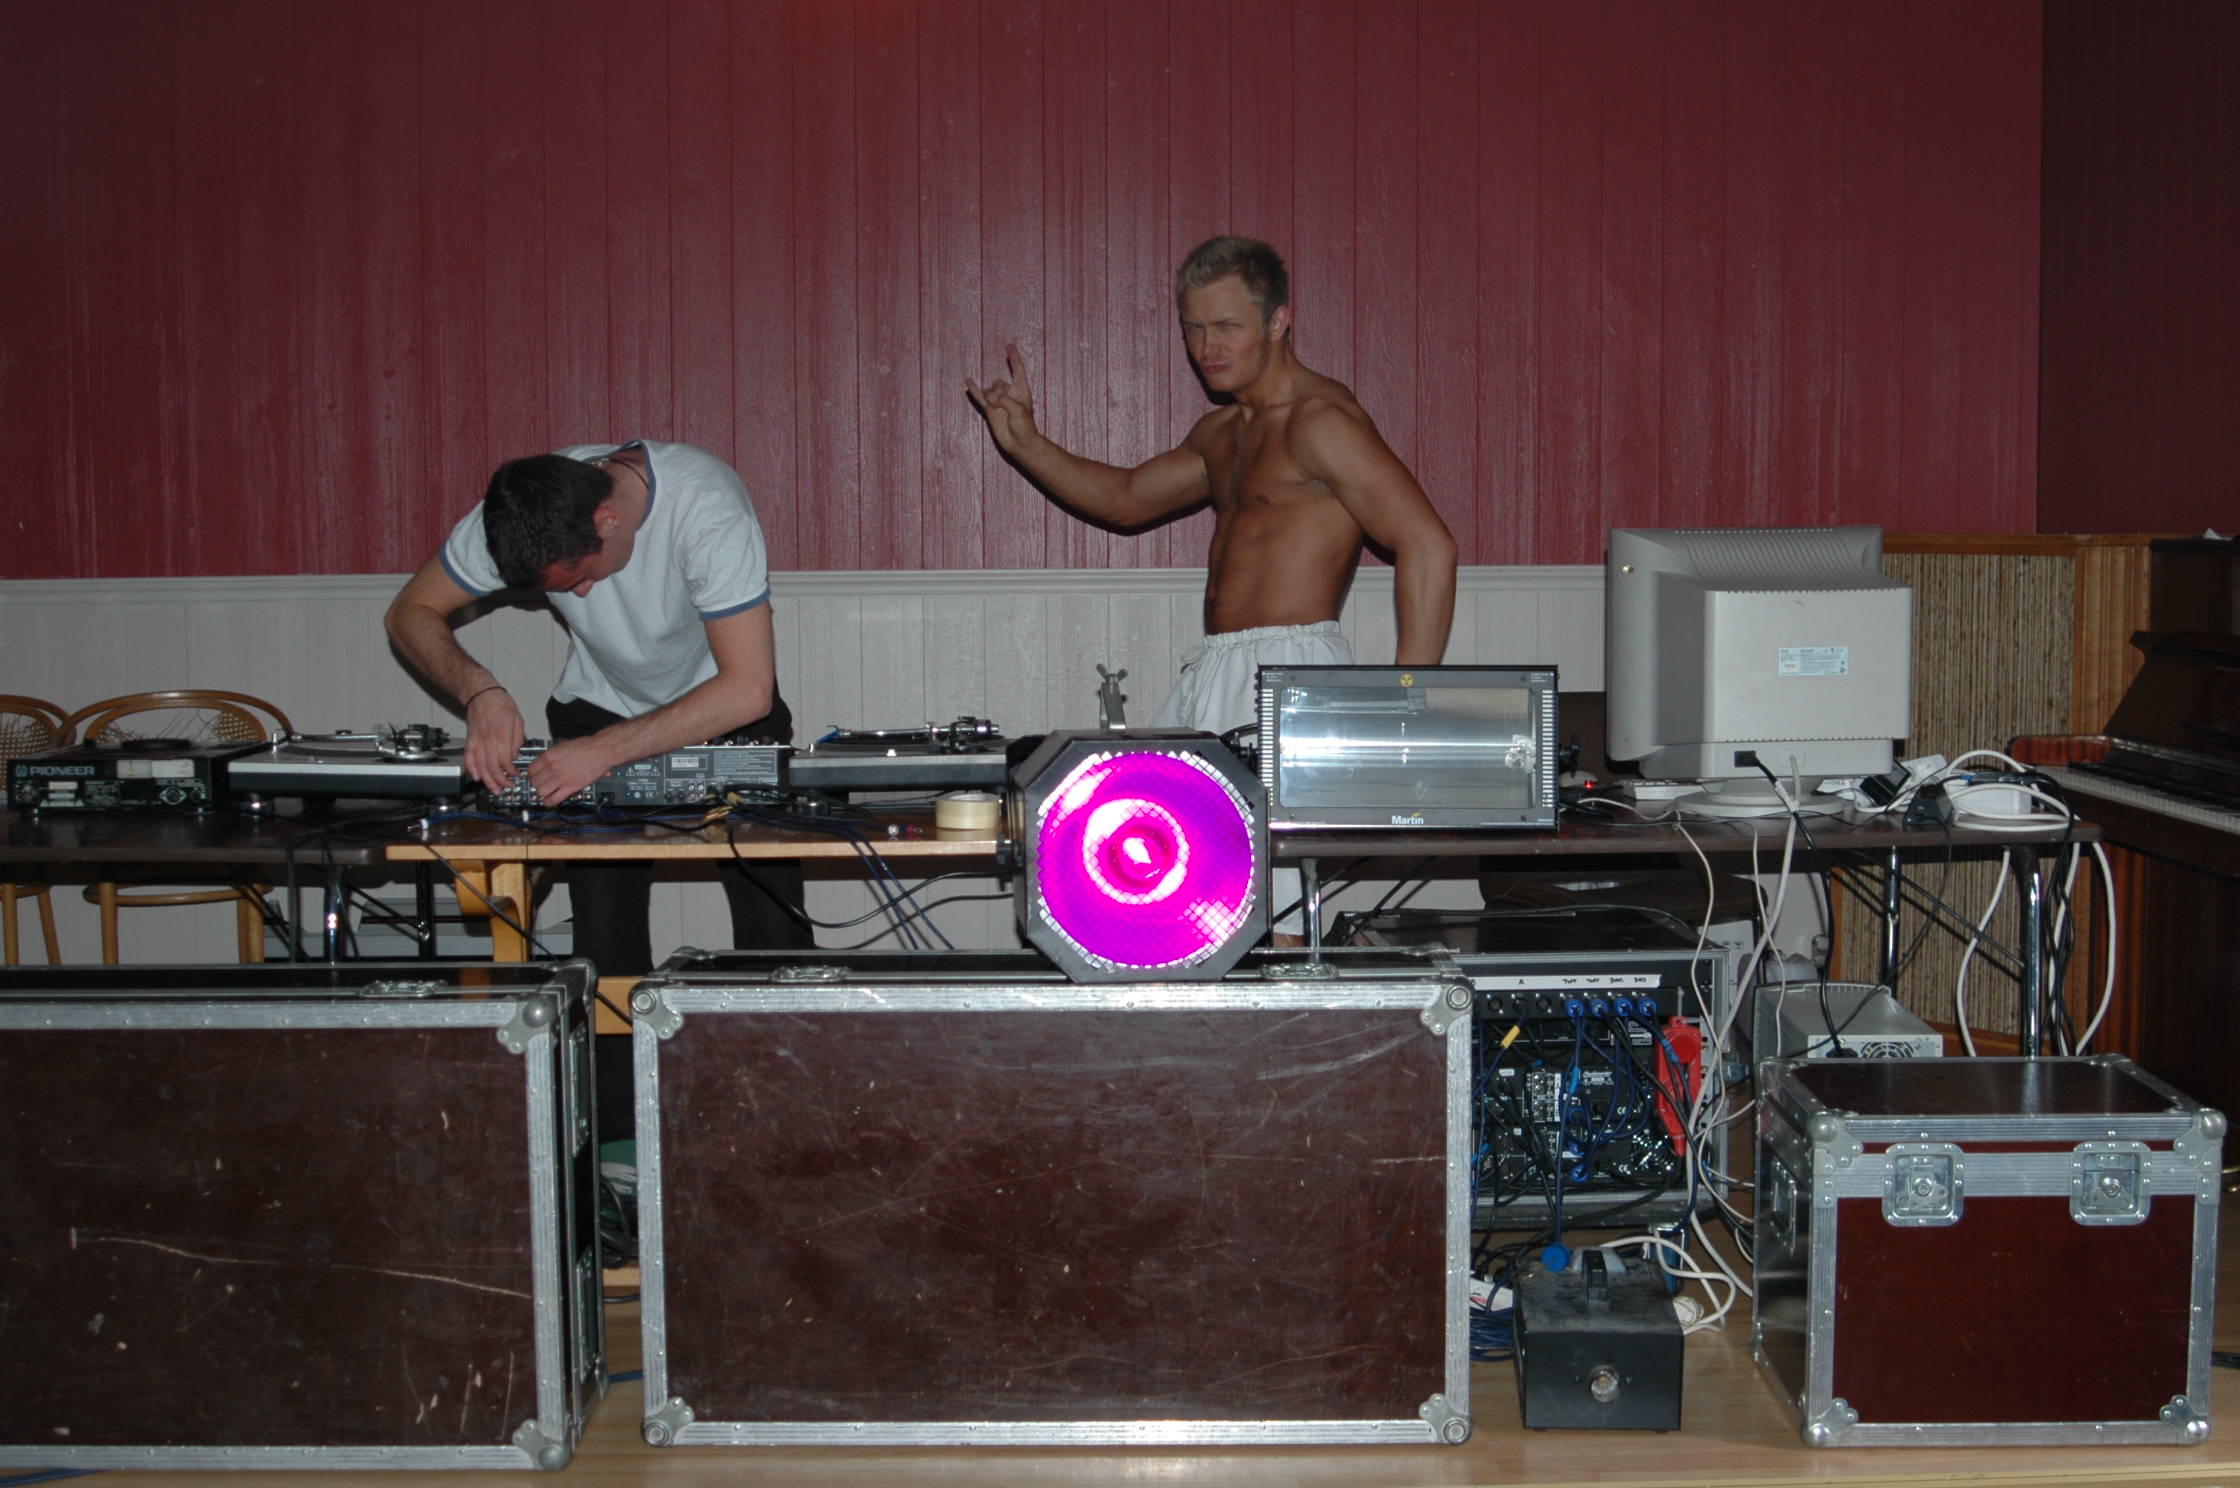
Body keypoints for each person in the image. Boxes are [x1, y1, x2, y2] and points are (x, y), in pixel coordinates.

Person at [967, 235, 1459, 933]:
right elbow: (1127, 499)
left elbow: (1429, 544)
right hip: (1215, 673)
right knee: (1184, 900)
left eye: (1227, 326)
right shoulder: (1224, 433)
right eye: (1194, 328)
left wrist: (1408, 706)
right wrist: (1024, 441)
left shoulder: (1320, 422)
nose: (1207, 347)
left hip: (1290, 671)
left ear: (1278, 321)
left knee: (1270, 912)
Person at [385, 440, 811, 978]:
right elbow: (409, 611)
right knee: (604, 933)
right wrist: (479, 692)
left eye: (581, 575)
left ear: (607, 520)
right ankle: (613, 1037)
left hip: (724, 710)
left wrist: (604, 752)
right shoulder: (525, 509)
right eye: (564, 589)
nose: (581, 595)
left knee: (773, 928)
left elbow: (748, 689)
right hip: (599, 707)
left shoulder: (707, 505)